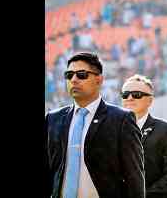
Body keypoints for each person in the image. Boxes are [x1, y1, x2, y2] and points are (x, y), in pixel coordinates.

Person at [45, 52, 145, 198]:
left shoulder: (121, 120)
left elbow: (134, 177)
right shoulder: (53, 119)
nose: (74, 79)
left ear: (99, 79)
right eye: (69, 75)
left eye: (81, 74)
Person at [121, 74, 167, 198]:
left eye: (136, 94)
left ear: (150, 100)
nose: (129, 98)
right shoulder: (111, 129)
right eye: (125, 95)